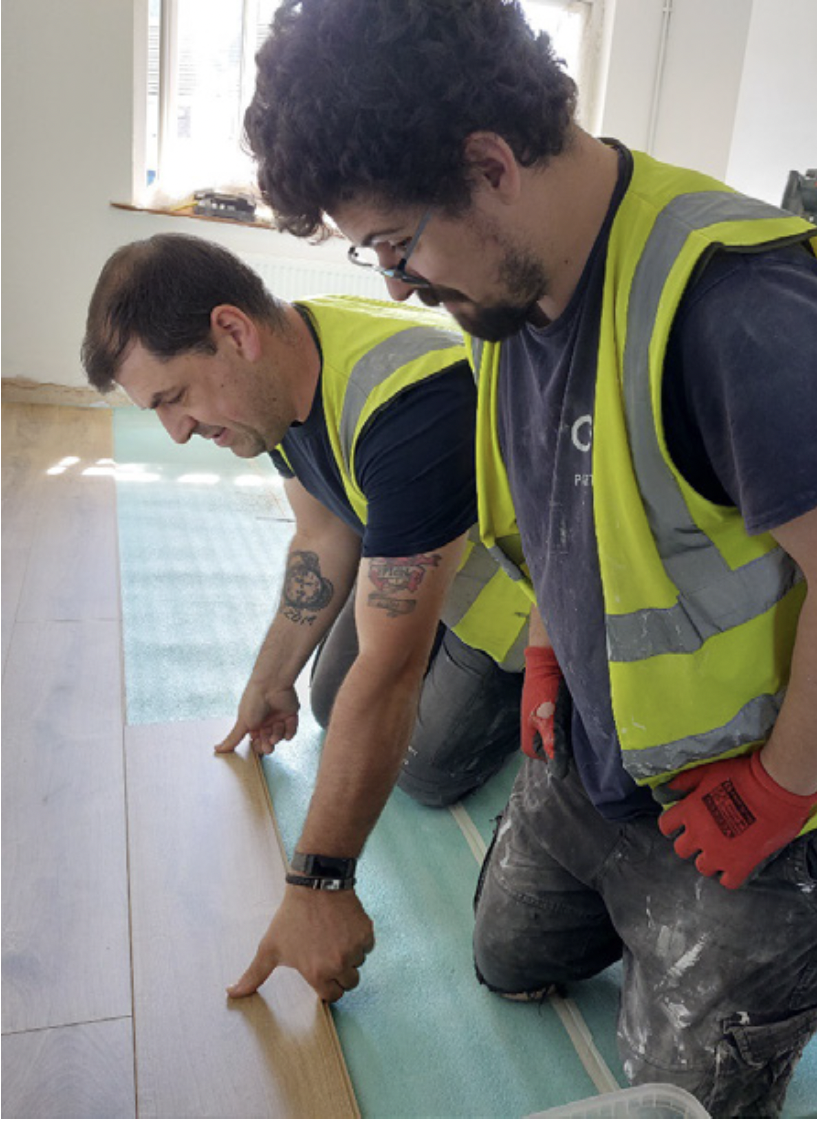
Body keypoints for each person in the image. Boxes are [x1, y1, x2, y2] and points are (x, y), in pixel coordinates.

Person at [243, 2, 817, 1115]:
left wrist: (781, 788)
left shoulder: (734, 307)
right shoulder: (507, 297)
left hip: (783, 778)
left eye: (396, 244)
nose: (394, 281)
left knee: (682, 1100)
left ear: (489, 166)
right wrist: (549, 659)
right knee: (507, 960)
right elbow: (570, 516)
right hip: (607, 752)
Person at [81, 231, 532, 998]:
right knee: (324, 702)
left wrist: (316, 885)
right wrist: (270, 678)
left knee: (418, 764)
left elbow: (389, 677)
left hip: (513, 615)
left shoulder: (413, 409)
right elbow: (325, 531)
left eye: (174, 397)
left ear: (233, 332)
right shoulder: (283, 372)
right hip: (418, 564)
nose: (176, 431)